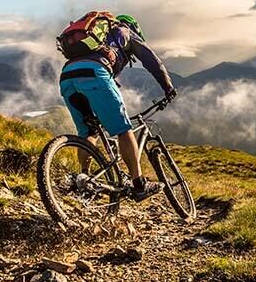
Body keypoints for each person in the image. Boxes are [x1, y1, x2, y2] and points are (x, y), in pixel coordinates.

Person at [57, 12, 176, 200]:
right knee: (123, 129)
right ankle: (139, 185)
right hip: (94, 73)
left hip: (66, 77)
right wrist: (168, 87)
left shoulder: (95, 37)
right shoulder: (124, 30)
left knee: (88, 133)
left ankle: (84, 180)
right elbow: (151, 60)